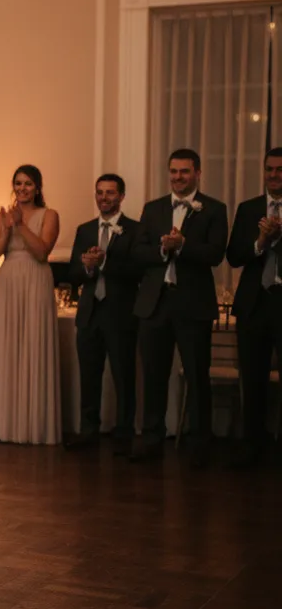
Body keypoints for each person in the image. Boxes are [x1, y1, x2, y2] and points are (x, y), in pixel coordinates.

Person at [132, 149, 227, 467]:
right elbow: (138, 251)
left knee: (197, 376)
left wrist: (183, 245)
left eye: (184, 171)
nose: (178, 177)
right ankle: (151, 438)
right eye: (173, 171)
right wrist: (163, 250)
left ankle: (200, 443)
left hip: (193, 304)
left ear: (197, 173)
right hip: (155, 304)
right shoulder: (153, 208)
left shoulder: (214, 209)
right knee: (153, 376)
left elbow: (215, 254)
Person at [0, 164, 62, 445]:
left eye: (28, 183)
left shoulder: (49, 215)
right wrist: (6, 227)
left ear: (37, 187)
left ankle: (33, 426)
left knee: (33, 343)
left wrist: (20, 225)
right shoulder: (1, 216)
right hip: (9, 280)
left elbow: (41, 252)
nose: (22, 188)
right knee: (8, 345)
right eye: (18, 183)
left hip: (36, 279)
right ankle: (5, 424)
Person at [65, 174, 141, 453]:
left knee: (123, 376)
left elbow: (137, 271)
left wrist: (105, 261)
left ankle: (123, 434)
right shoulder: (85, 229)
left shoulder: (135, 229)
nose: (104, 198)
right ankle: (88, 431)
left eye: (110, 193)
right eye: (100, 192)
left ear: (121, 196)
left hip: (120, 314)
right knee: (89, 375)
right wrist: (87, 266)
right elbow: (73, 273)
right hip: (89, 313)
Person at [227, 148, 282, 469]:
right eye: (269, 169)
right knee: (253, 379)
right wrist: (260, 242)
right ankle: (252, 445)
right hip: (254, 305)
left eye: (280, 170)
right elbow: (234, 256)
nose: (274, 175)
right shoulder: (249, 209)